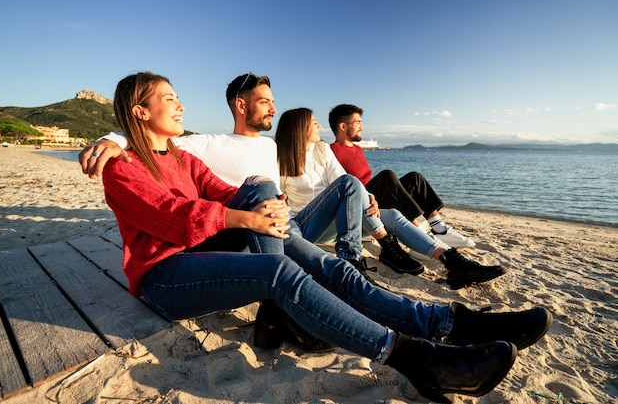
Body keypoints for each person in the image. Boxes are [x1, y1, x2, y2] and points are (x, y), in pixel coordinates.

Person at [99, 70, 553, 403]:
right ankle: (413, 358)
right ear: (141, 111)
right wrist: (246, 219)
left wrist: (264, 207)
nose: (181, 105)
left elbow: (221, 191)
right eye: (170, 99)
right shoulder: (123, 167)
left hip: (214, 248)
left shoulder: (183, 158)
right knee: (278, 268)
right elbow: (173, 215)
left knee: (324, 258)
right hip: (165, 275)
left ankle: (450, 323)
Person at [275, 107, 505, 289]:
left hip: (344, 219)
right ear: (298, 128)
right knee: (351, 185)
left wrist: (369, 197)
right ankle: (386, 245)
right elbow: (280, 200)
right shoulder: (280, 159)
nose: (319, 125)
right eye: (313, 122)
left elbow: (341, 177)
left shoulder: (322, 150)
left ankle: (452, 261)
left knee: (392, 213)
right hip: (312, 226)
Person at [328, 104, 476, 249]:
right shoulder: (331, 151)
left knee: (414, 178)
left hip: (375, 199)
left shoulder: (357, 149)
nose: (362, 126)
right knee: (387, 177)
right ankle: (420, 234)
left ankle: (439, 229)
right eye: (358, 122)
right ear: (343, 127)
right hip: (362, 202)